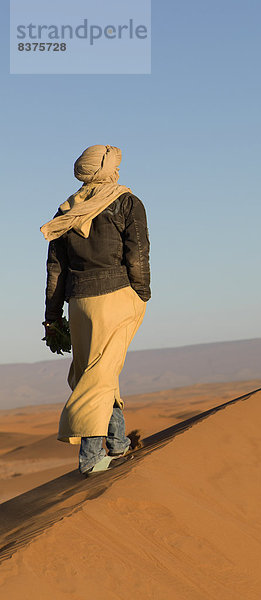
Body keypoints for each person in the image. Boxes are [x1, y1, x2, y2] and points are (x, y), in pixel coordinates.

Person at [40, 144, 150, 476]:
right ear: (107, 167)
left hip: (79, 303)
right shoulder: (126, 202)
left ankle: (117, 443)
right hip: (116, 297)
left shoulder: (67, 211)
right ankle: (90, 457)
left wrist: (52, 315)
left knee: (99, 370)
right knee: (99, 377)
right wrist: (142, 293)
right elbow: (138, 254)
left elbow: (55, 270)